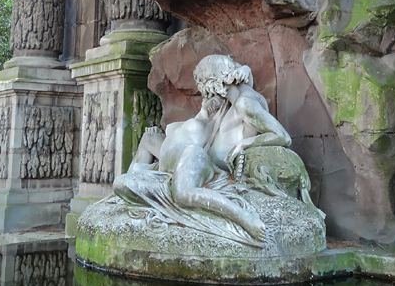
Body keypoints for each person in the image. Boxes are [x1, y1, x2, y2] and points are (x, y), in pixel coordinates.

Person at [111, 55, 292, 245]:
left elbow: (283, 136)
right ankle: (152, 174)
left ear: (212, 83)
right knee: (122, 183)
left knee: (181, 193)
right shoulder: (232, 98)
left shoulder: (244, 103)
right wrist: (244, 70)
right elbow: (242, 83)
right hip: (194, 159)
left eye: (204, 88)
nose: (205, 95)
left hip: (196, 157)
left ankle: (245, 218)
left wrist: (246, 144)